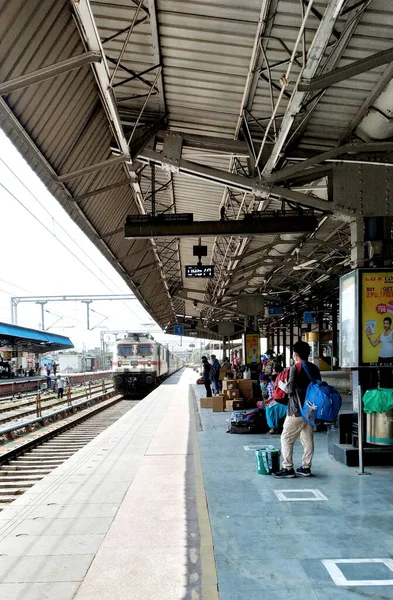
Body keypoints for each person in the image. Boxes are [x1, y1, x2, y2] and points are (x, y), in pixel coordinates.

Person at [272, 340, 321, 478]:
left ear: (295, 354)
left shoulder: (296, 368)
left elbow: (290, 388)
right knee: (307, 439)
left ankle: (287, 468)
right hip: (311, 410)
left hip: (296, 410)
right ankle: (306, 467)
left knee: (286, 437)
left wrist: (280, 384)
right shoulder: (314, 368)